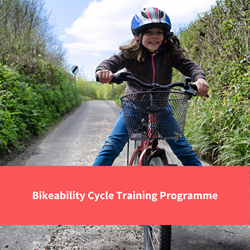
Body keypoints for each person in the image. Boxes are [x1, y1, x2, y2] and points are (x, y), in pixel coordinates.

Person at [93, 7, 209, 166]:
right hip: (133, 107)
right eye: (148, 32)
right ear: (138, 36)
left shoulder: (170, 53)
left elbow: (191, 67)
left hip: (162, 109)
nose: (154, 36)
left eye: (159, 32)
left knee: (184, 149)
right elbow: (110, 63)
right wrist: (103, 71)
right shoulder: (130, 53)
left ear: (165, 36)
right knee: (112, 145)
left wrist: (200, 79)